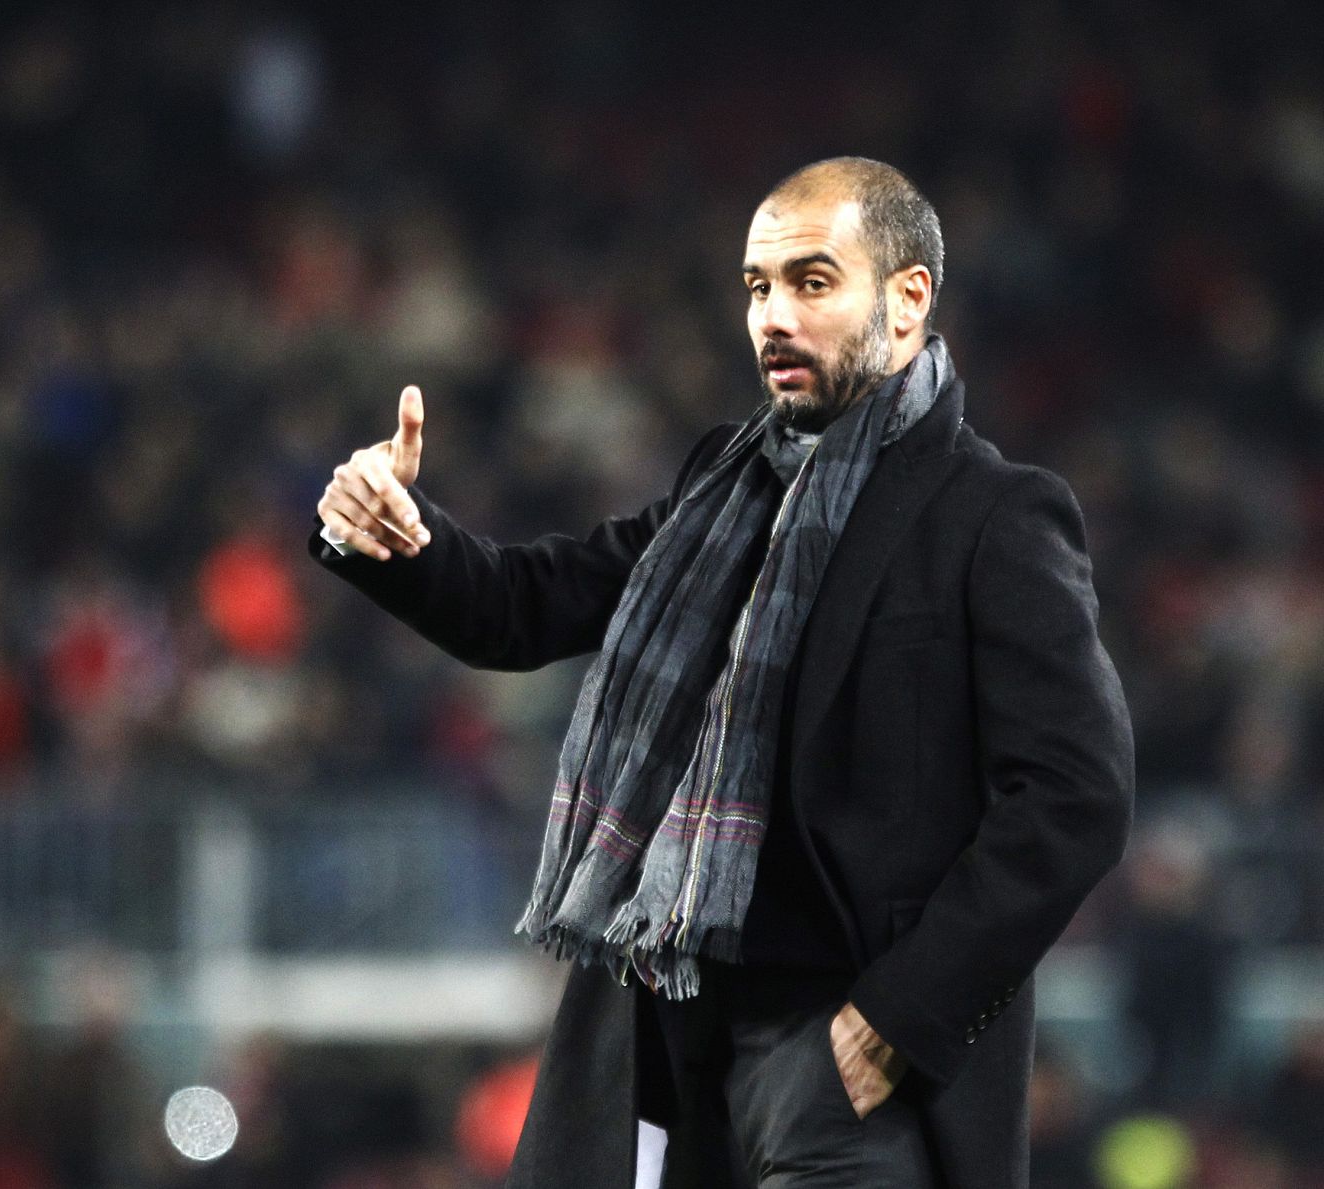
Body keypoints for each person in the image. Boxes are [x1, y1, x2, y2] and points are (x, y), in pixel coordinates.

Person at [309, 157, 1133, 1189]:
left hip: (850, 1060)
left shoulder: (992, 514)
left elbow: (1075, 795)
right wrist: (401, 538)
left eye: (811, 281)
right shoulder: (723, 491)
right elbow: (525, 607)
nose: (772, 316)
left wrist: (896, 1020)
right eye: (757, 286)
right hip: (678, 1038)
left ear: (908, 299)